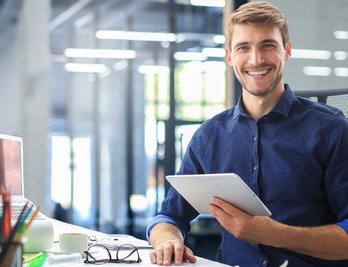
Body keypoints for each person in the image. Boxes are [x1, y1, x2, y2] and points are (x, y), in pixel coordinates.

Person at [146, 1, 348, 266]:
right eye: (243, 48)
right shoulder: (209, 136)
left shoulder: (331, 129)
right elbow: (168, 218)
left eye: (268, 45)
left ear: (286, 50)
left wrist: (277, 234)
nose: (256, 59)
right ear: (230, 56)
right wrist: (167, 240)